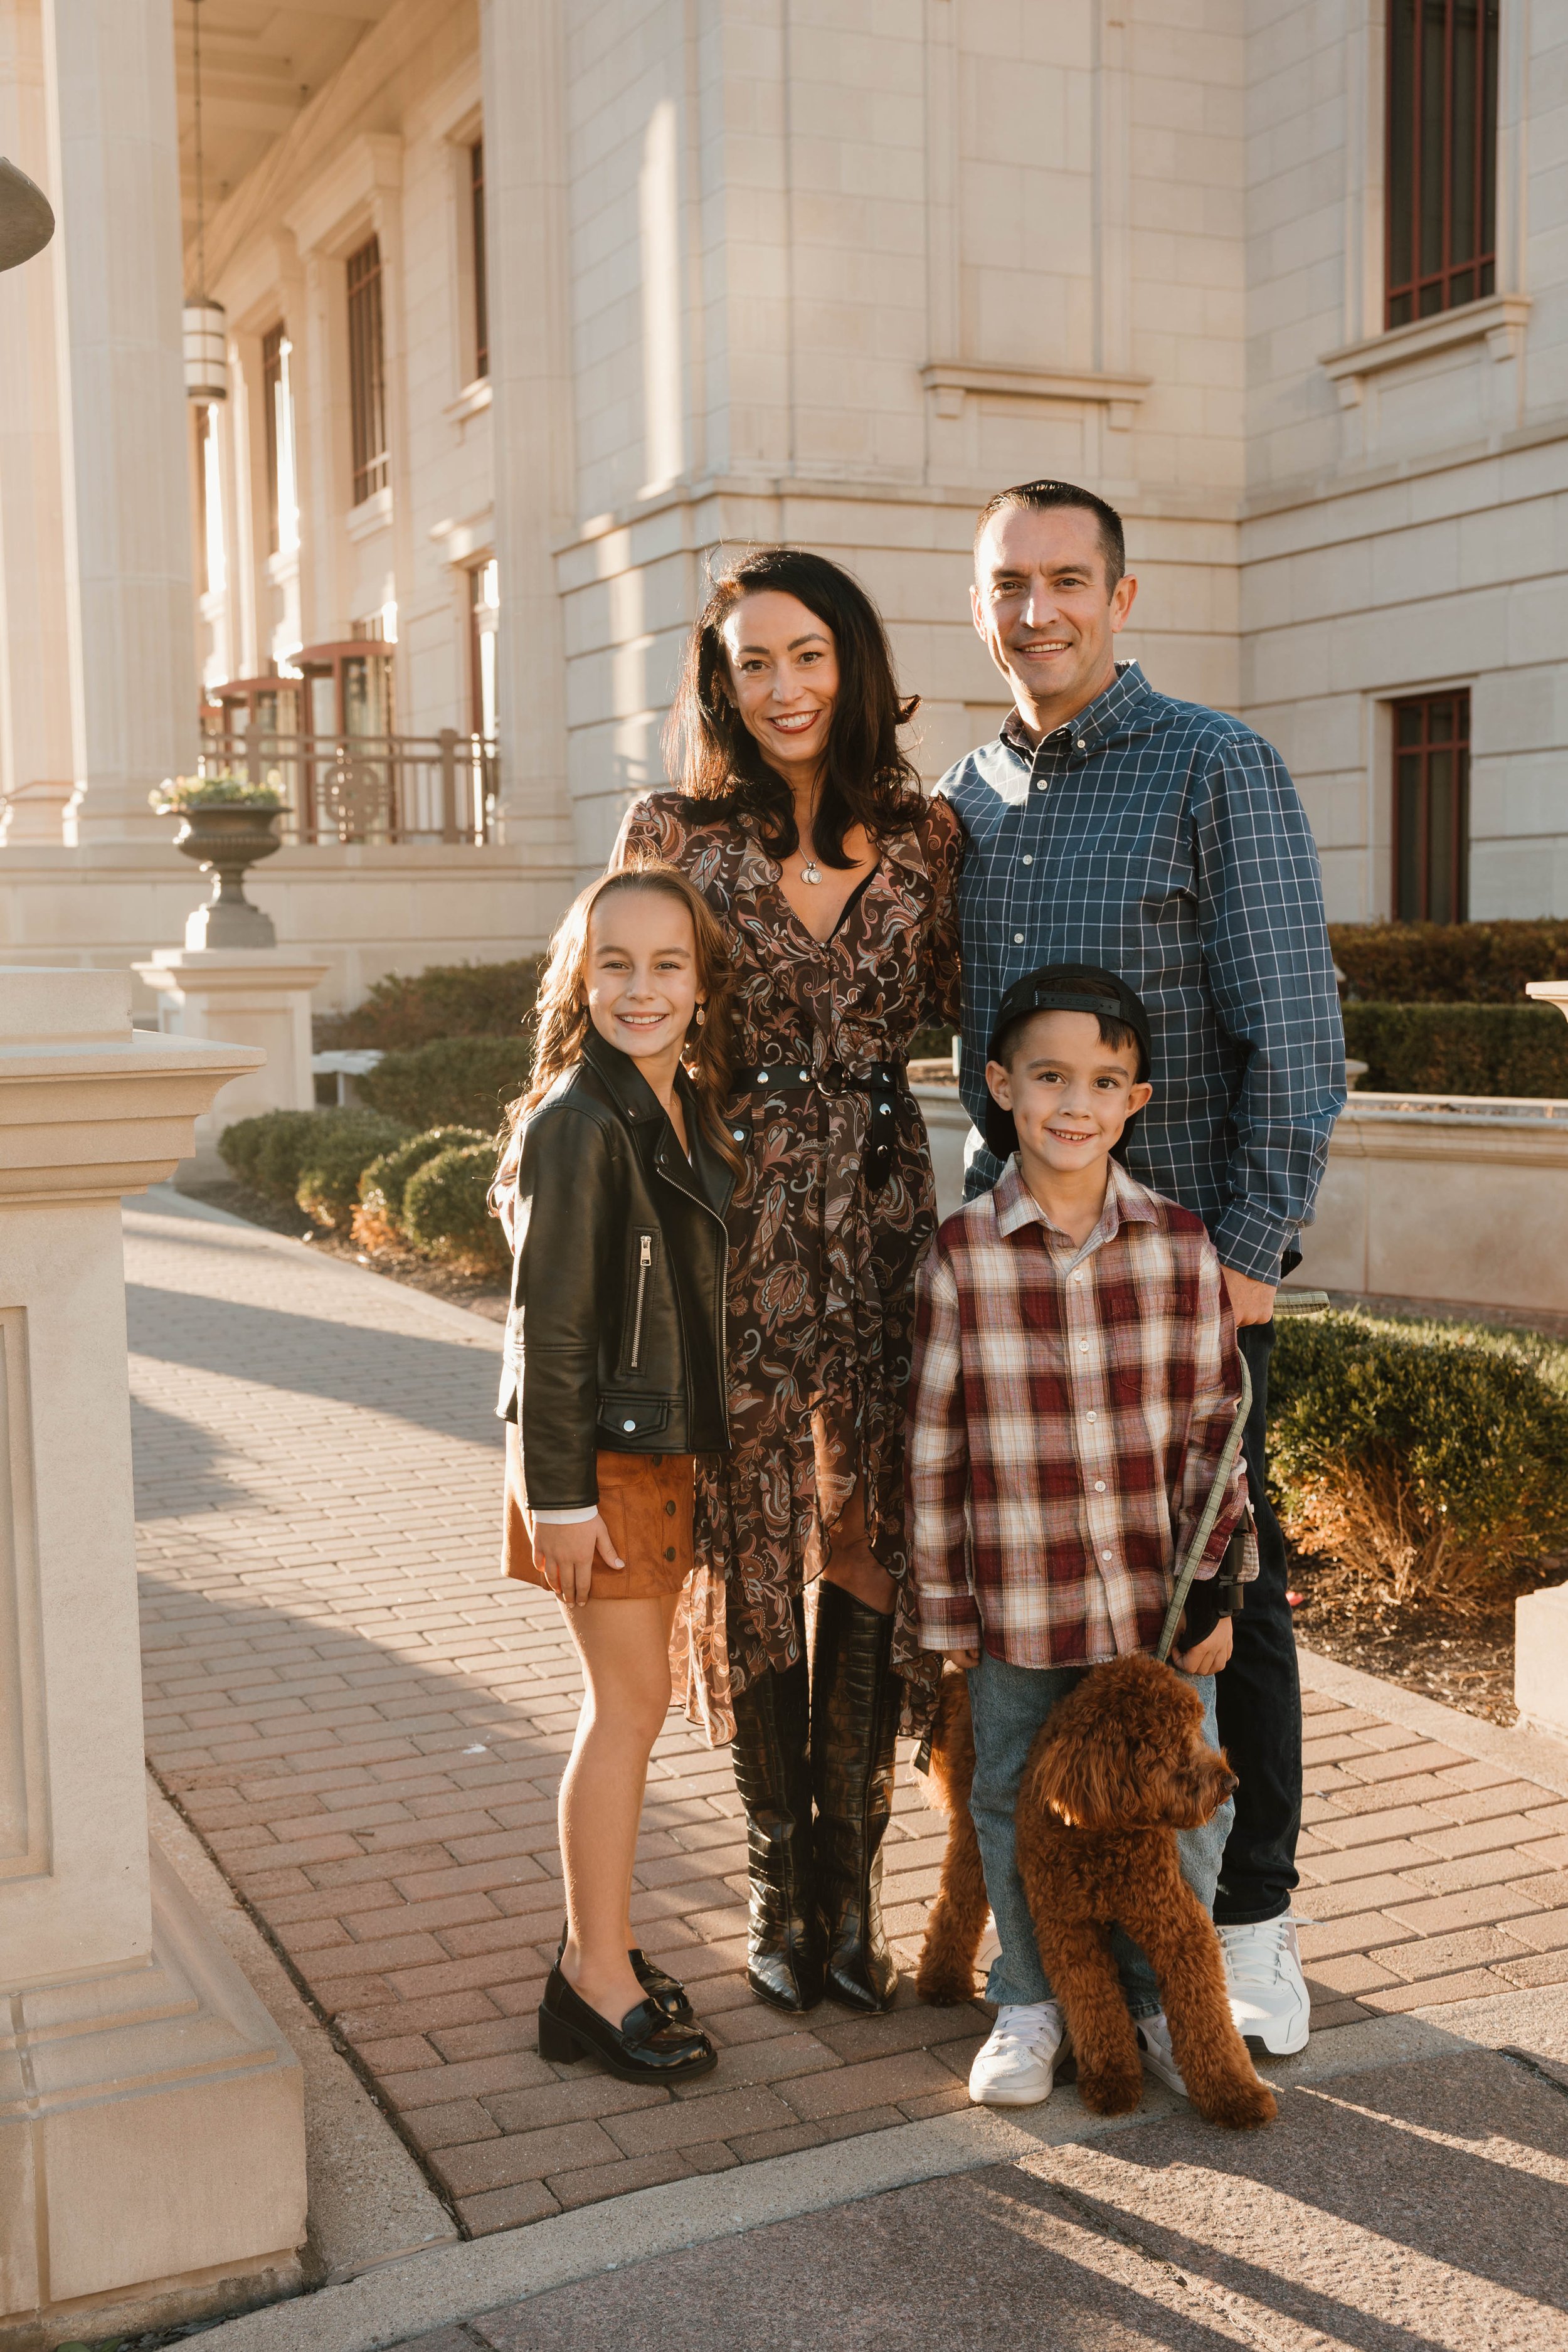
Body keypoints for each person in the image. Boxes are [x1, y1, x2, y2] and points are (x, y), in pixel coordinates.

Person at [938, 479, 1345, 2058]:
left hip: (1187, 1291)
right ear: (977, 605)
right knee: (1051, 1619)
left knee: (1225, 1600)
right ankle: (1070, 1942)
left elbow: (1296, 1038)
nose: (1031, 610)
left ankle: (1250, 1922)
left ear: (1120, 594)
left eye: (1062, 579)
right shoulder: (958, 800)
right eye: (1003, 584)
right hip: (1026, 1291)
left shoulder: (1214, 769)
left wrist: (1246, 1259)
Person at [613, 547, 960, 2015]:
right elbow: (613, 1022)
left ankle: (851, 1891)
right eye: (751, 663)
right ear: (719, 681)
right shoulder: (674, 832)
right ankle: (775, 1886)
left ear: (854, 664)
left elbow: (975, 1010)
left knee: (870, 1528)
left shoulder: (930, 836)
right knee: (755, 1538)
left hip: (883, 1220)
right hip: (736, 1226)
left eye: (806, 655)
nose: (782, 689)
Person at [908, 964, 1258, 2107]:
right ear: (1000, 1086)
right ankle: (1029, 1993)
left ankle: (1163, 2000)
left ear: (1137, 1101)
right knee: (1008, 1789)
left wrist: (1220, 1587)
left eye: (1104, 1081)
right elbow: (933, 1446)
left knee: (1190, 1795)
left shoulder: (1179, 1245)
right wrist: (948, 1612)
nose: (1075, 1102)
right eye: (1051, 1076)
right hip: (1021, 1597)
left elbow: (1217, 1427)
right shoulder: (963, 1254)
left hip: (1157, 1609)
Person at [494, 862, 741, 2083]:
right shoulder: (575, 1122)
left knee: (631, 1711)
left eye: (666, 966)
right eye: (614, 964)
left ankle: (603, 1953)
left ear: (700, 985)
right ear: (577, 978)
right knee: (625, 1712)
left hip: (651, 1455)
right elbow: (553, 1331)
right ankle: (593, 1982)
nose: (640, 989)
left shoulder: (678, 1105)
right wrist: (558, 1497)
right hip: (598, 1465)